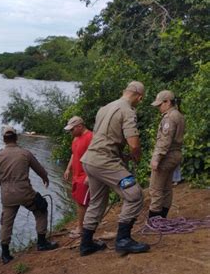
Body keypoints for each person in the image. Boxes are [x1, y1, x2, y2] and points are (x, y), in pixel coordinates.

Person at [79, 81, 150, 256]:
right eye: (140, 100)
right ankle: (123, 240)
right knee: (135, 195)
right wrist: (136, 155)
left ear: (124, 91)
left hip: (90, 160)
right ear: (139, 97)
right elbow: (133, 143)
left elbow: (102, 137)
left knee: (97, 201)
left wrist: (120, 154)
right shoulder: (127, 111)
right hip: (105, 162)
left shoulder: (104, 108)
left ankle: (86, 244)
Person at [0, 126, 58, 264]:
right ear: (16, 137)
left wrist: (2, 184)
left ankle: (5, 254)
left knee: (6, 224)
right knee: (41, 209)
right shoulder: (25, 153)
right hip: (25, 192)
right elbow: (39, 169)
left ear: (4, 139)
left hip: (7, 195)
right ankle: (42, 243)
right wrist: (45, 178)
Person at [148, 90, 185, 219]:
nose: (159, 108)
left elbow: (165, 140)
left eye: (160, 105)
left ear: (167, 102)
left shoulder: (169, 117)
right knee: (167, 187)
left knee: (156, 188)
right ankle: (162, 218)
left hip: (167, 156)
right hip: (176, 154)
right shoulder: (179, 115)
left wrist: (157, 158)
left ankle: (154, 220)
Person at [63, 116, 93, 238]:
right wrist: (68, 168)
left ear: (80, 126)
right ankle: (85, 224)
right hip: (76, 175)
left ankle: (80, 228)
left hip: (85, 175)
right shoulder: (76, 138)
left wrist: (90, 175)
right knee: (78, 201)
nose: (71, 132)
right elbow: (74, 154)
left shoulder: (91, 137)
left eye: (72, 129)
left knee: (82, 202)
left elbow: (95, 156)